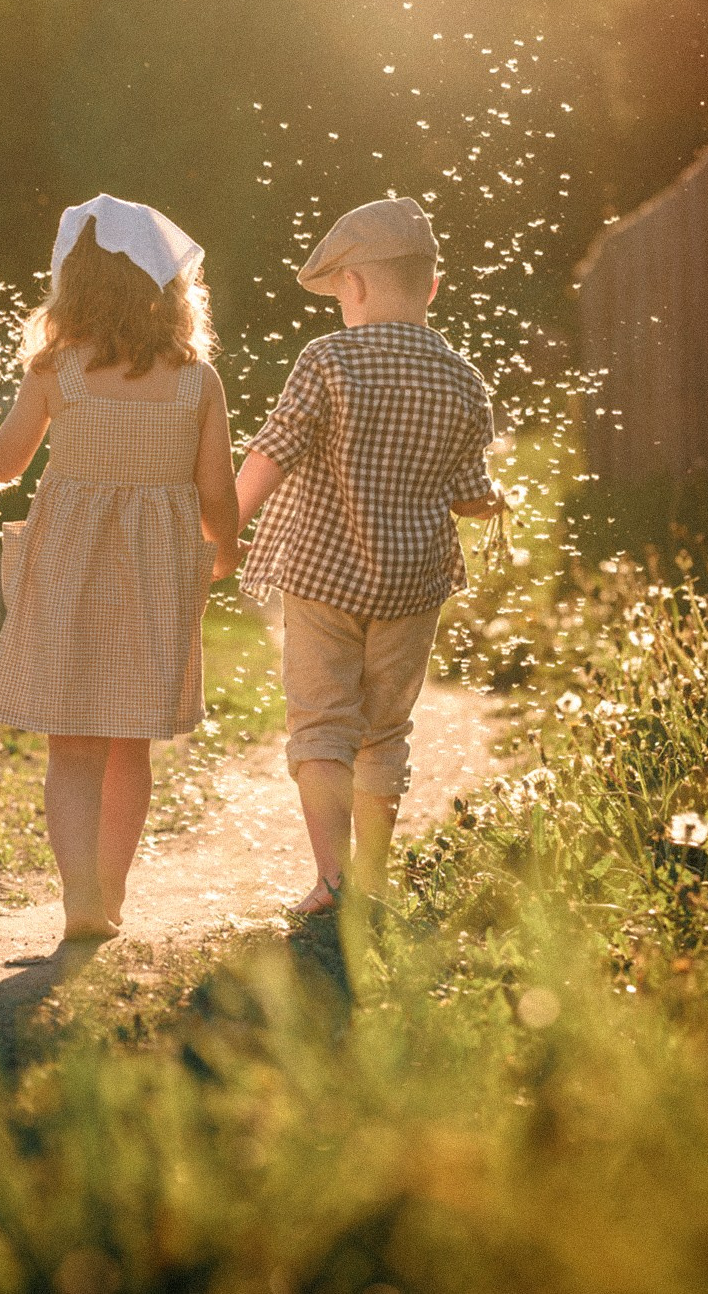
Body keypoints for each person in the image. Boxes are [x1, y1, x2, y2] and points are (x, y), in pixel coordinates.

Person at [0, 194, 240, 942]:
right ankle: (111, 895)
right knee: (131, 745)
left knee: (74, 746)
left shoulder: (58, 370)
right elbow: (217, 491)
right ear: (166, 286)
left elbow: (5, 461)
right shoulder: (197, 380)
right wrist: (226, 552)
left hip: (71, 569)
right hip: (154, 576)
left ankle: (80, 896)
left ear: (72, 283)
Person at [236, 197, 502, 914]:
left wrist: (222, 525)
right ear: (433, 288)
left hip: (323, 575)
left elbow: (275, 449)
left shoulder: (327, 358)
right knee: (385, 730)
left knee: (322, 722)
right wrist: (493, 504)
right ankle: (375, 884)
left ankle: (333, 880)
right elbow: (469, 493)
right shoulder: (463, 378)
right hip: (414, 585)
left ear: (351, 285)